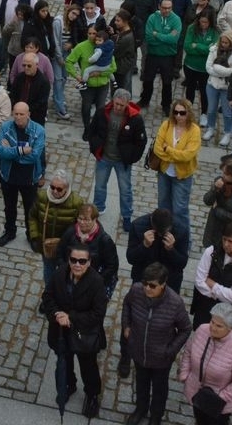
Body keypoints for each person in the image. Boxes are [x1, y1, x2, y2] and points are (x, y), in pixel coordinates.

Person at [42, 244, 109, 419]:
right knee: (65, 361)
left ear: (89, 262)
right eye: (73, 260)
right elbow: (47, 297)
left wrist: (70, 317)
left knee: (88, 367)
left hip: (84, 334)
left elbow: (98, 313)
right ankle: (69, 385)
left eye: (82, 261)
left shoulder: (96, 282)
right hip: (61, 331)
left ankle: (92, 394)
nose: (77, 264)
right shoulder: (60, 274)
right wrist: (57, 315)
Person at [121, 261, 191, 425]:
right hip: (138, 350)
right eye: (145, 283)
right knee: (141, 382)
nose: (147, 288)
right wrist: (126, 325)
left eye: (152, 286)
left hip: (161, 358)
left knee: (160, 389)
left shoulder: (175, 303)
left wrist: (170, 350)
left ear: (163, 285)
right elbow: (127, 305)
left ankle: (156, 416)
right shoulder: (136, 290)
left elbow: (186, 329)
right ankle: (141, 409)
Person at [179, 301, 232, 425]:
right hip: (196, 393)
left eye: (219, 326)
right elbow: (188, 351)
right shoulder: (202, 330)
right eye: (212, 322)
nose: (212, 327)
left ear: (229, 328)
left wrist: (220, 397)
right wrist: (185, 374)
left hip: (218, 405)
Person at [86, 88, 146, 234]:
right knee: (99, 186)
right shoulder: (102, 113)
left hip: (122, 161)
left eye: (122, 105)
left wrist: (131, 157)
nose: (118, 107)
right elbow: (92, 130)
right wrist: (95, 147)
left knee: (125, 190)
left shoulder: (135, 119)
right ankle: (98, 209)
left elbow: (141, 142)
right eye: (116, 104)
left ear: (127, 104)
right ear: (113, 101)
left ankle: (126, 216)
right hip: (104, 157)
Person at [0, 101, 44, 247]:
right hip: (9, 176)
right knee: (9, 207)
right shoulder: (5, 127)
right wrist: (21, 151)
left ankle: (31, 234)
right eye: (16, 114)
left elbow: (34, 156)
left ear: (28, 114)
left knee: (30, 208)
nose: (18, 117)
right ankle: (10, 231)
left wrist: (11, 151)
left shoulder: (38, 130)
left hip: (29, 177)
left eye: (22, 114)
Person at [150, 99, 201, 236]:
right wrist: (174, 155)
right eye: (176, 112)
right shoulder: (166, 125)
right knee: (163, 206)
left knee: (180, 210)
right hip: (165, 172)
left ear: (188, 113)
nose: (178, 116)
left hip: (182, 176)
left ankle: (183, 238)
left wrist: (169, 150)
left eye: (182, 113)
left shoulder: (194, 130)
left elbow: (187, 156)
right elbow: (157, 149)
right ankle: (164, 233)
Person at [28, 169, 84, 285]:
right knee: (48, 271)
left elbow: (80, 226)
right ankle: (49, 296)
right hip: (47, 246)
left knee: (66, 274)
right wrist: (34, 236)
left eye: (59, 189)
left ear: (67, 188)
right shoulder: (42, 196)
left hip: (66, 249)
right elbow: (32, 216)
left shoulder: (76, 202)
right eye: (52, 187)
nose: (54, 191)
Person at [201, 156, 232, 252]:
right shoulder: (219, 181)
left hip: (230, 231)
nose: (223, 175)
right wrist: (215, 189)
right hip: (214, 226)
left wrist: (217, 210)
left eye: (226, 174)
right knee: (210, 251)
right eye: (223, 172)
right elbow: (207, 201)